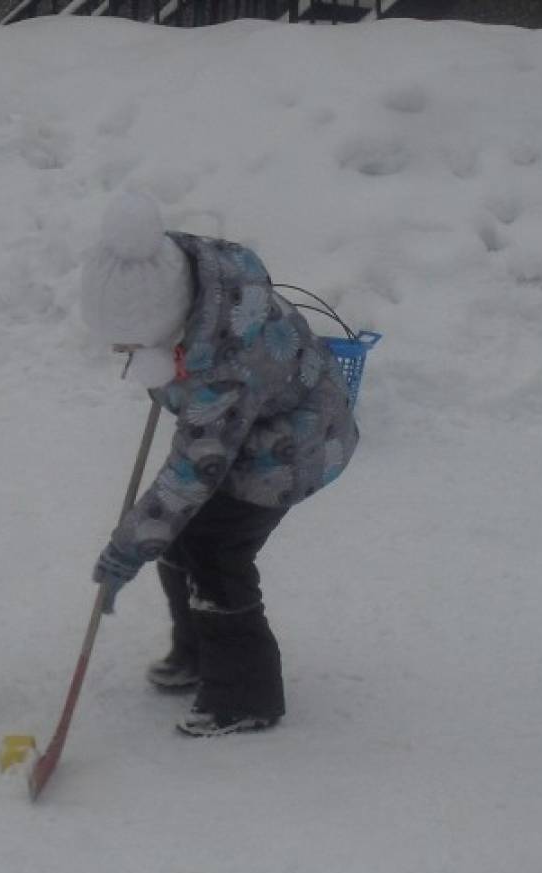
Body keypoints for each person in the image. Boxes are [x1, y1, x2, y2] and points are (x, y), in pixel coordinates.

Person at [81, 190, 359, 737]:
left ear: (166, 327)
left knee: (215, 553)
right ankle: (198, 655)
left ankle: (244, 697)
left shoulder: (223, 370)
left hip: (291, 449)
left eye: (131, 345)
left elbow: (192, 473)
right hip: (253, 429)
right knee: (184, 539)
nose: (127, 356)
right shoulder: (187, 279)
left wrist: (127, 548)